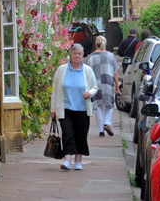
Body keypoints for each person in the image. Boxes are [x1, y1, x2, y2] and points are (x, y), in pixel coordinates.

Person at [51, 43, 98, 171]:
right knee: (67, 133)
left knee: (80, 135)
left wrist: (90, 93)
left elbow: (95, 87)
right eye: (75, 53)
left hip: (82, 109)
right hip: (65, 108)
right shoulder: (61, 70)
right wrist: (53, 109)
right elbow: (55, 90)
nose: (77, 56)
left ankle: (78, 160)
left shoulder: (87, 70)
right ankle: (67, 160)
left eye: (79, 54)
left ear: (83, 55)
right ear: (70, 55)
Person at [87, 36, 120, 137]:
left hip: (96, 84)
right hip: (108, 82)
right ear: (105, 44)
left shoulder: (90, 57)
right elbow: (115, 73)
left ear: (95, 44)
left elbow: (88, 73)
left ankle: (101, 131)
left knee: (99, 106)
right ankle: (107, 122)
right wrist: (117, 86)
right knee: (109, 105)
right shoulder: (110, 56)